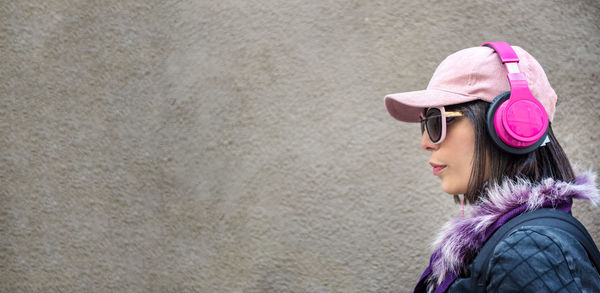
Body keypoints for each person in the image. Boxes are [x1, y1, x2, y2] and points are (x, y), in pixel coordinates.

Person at [384, 42, 600, 292]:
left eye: (435, 121)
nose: (425, 143)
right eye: (425, 125)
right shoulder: (516, 243)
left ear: (509, 125)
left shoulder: (530, 250)